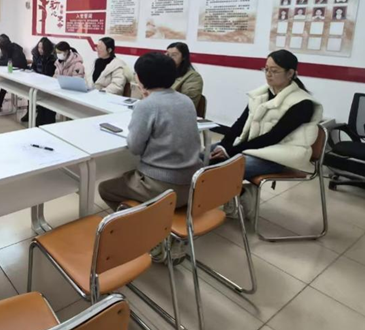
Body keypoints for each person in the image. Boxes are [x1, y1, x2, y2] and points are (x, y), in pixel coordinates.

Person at [210, 50, 323, 217]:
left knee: (222, 168)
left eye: (274, 70)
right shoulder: (261, 94)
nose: (268, 74)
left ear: (290, 73)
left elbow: (273, 137)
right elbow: (241, 123)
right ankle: (230, 195)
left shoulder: (302, 103)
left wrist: (231, 151)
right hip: (252, 148)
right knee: (203, 156)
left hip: (276, 156)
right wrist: (224, 145)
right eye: (266, 69)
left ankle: (241, 195)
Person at [98, 52, 202, 210]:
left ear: (140, 78)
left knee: (105, 188)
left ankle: (144, 218)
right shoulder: (186, 100)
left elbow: (135, 147)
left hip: (162, 187)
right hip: (193, 183)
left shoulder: (146, 106)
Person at [21, 37, 56, 125]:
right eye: (39, 47)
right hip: (37, 81)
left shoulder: (52, 58)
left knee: (42, 98)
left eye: (42, 48)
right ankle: (30, 113)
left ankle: (42, 117)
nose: (40, 50)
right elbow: (34, 67)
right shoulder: (36, 55)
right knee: (31, 93)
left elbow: (49, 73)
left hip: (48, 83)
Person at [165, 42, 203, 110]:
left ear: (183, 57)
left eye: (174, 55)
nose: (169, 58)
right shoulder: (163, 72)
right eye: (167, 54)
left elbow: (187, 105)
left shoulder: (193, 77)